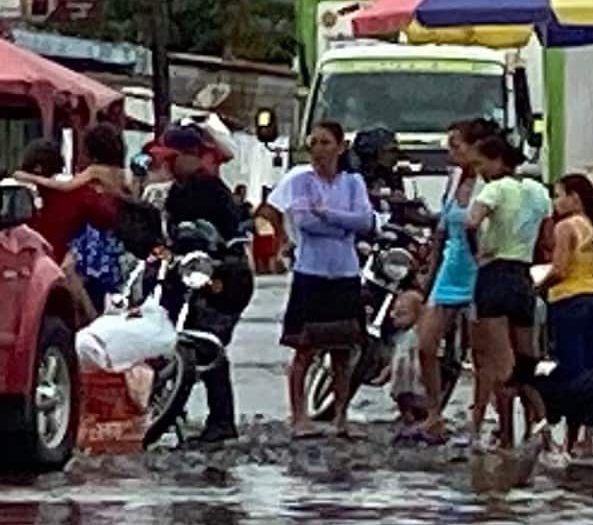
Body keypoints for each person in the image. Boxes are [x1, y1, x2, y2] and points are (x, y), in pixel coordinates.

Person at [272, 118, 381, 432]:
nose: (319, 150)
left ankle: (341, 415)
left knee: (342, 350)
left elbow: (365, 221)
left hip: (345, 272)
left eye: (325, 143)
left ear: (340, 147)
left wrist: (328, 214)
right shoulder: (301, 181)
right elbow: (305, 222)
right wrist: (342, 224)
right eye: (314, 143)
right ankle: (299, 416)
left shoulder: (353, 183)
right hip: (311, 271)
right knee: (304, 348)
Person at [155, 123, 255, 447]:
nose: (167, 165)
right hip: (189, 275)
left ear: (192, 156)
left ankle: (222, 420)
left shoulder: (211, 191)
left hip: (223, 278)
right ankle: (172, 409)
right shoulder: (177, 191)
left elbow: (230, 239)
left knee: (208, 345)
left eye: (173, 158)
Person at [397, 118, 485, 445]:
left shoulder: (488, 185)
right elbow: (441, 233)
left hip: (479, 271)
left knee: (482, 353)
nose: (450, 153)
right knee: (426, 344)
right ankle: (434, 413)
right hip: (450, 269)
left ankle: (479, 420)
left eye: (456, 146)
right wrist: (428, 278)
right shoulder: (455, 178)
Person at [464, 126, 548, 450]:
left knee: (501, 365)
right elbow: (547, 239)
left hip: (495, 276)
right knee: (528, 362)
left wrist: (478, 252)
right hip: (523, 277)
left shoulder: (495, 190)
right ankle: (540, 430)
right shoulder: (537, 192)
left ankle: (506, 436)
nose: (479, 172)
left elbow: (471, 222)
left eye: (481, 164)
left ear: (498, 160)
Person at [539, 173, 593, 464]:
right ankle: (588, 439)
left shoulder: (565, 227)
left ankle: (570, 442)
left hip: (569, 301)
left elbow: (559, 269)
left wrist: (538, 287)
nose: (555, 202)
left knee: (572, 375)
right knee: (590, 372)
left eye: (559, 195)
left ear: (574, 197)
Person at [16, 121, 139, 299]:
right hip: (115, 241)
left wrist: (31, 178)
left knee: (69, 272)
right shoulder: (123, 175)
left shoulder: (94, 173)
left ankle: (88, 312)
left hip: (94, 241)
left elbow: (66, 186)